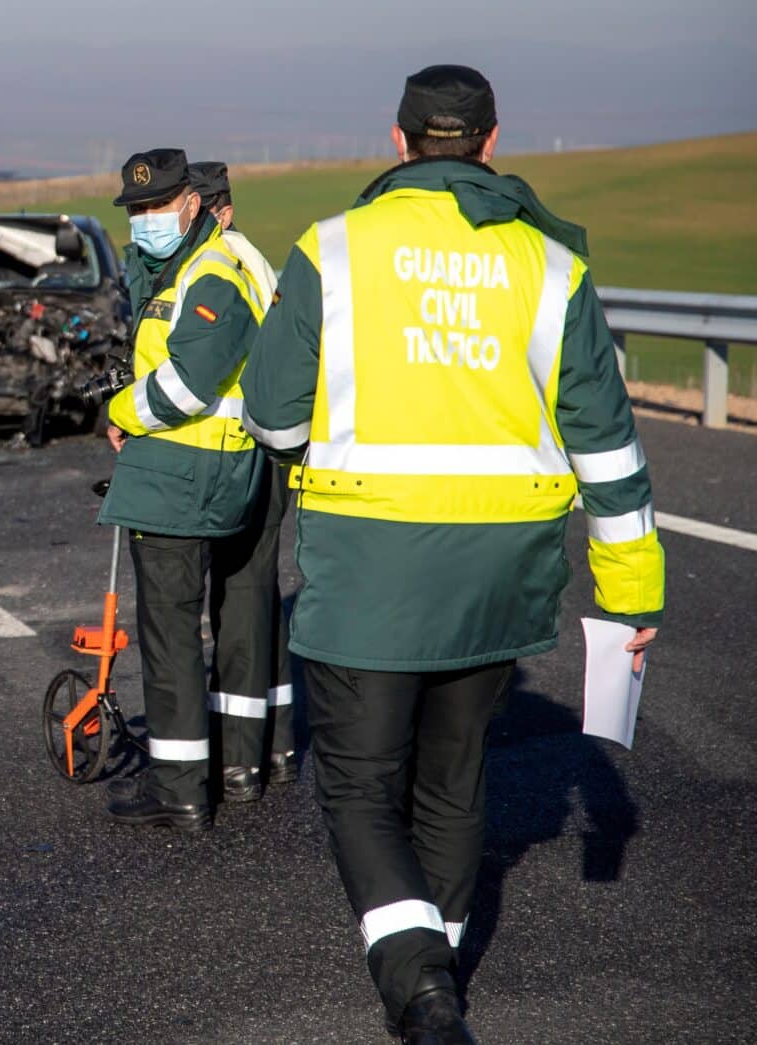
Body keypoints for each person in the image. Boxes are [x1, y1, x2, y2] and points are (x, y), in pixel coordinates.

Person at [240, 65, 664, 1044]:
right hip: (498, 570)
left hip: (367, 566)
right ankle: (443, 965)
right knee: (452, 775)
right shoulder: (550, 266)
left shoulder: (332, 249)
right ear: (490, 141)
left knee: (354, 781)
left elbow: (269, 415)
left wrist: (321, 446)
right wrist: (632, 591)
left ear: (394, 143)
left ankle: (420, 984)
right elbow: (605, 445)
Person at [98, 148, 270, 829]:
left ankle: (178, 789)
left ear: (193, 204)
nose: (145, 219)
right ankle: (228, 767)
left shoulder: (213, 271)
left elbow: (189, 384)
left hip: (184, 472)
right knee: (215, 623)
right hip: (200, 469)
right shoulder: (190, 263)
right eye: (136, 209)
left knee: (169, 635)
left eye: (156, 205)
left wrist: (119, 410)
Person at [186, 160, 296, 798]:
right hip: (264, 451)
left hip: (243, 454)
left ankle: (238, 761)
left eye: (196, 210)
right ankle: (276, 746)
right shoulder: (252, 259)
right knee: (257, 602)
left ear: (220, 211)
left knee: (242, 607)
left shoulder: (226, 263)